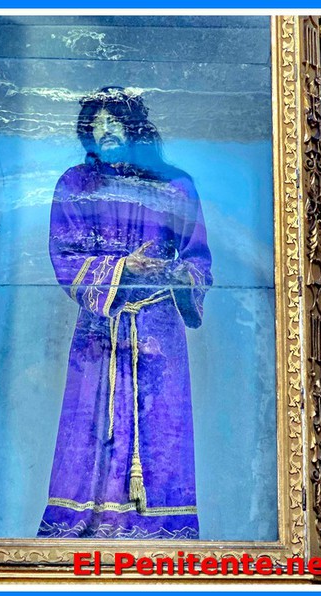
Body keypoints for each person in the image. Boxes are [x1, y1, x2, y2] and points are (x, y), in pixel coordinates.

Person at [37, 86, 212, 539]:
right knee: (91, 423)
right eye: (95, 125)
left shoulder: (175, 186)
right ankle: (88, 528)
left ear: (134, 128)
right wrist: (122, 268)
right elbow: (65, 255)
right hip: (101, 331)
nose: (104, 131)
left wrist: (177, 275)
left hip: (158, 329)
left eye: (113, 122)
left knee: (162, 425)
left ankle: (160, 534)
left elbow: (198, 260)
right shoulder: (76, 185)